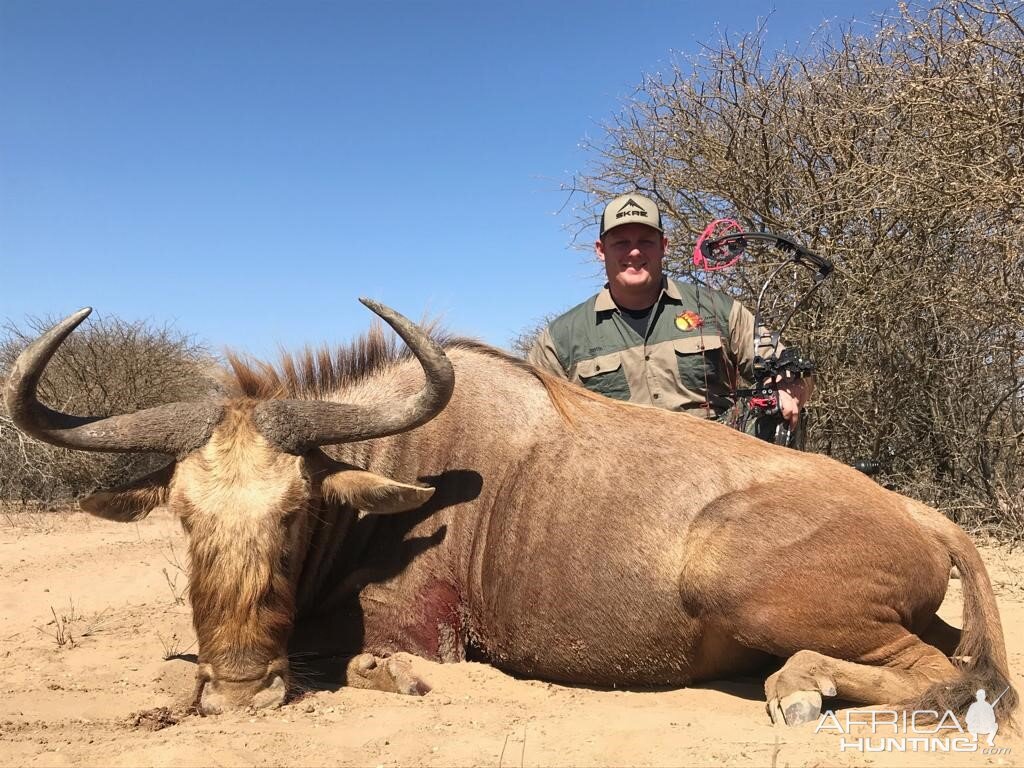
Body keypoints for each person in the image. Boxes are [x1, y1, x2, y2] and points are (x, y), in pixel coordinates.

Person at [527, 193, 812, 428]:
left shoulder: (719, 310)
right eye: (621, 243)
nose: (634, 252)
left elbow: (792, 370)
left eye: (645, 242)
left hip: (720, 477)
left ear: (664, 246)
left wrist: (787, 389)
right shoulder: (561, 338)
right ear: (601, 250)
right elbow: (533, 419)